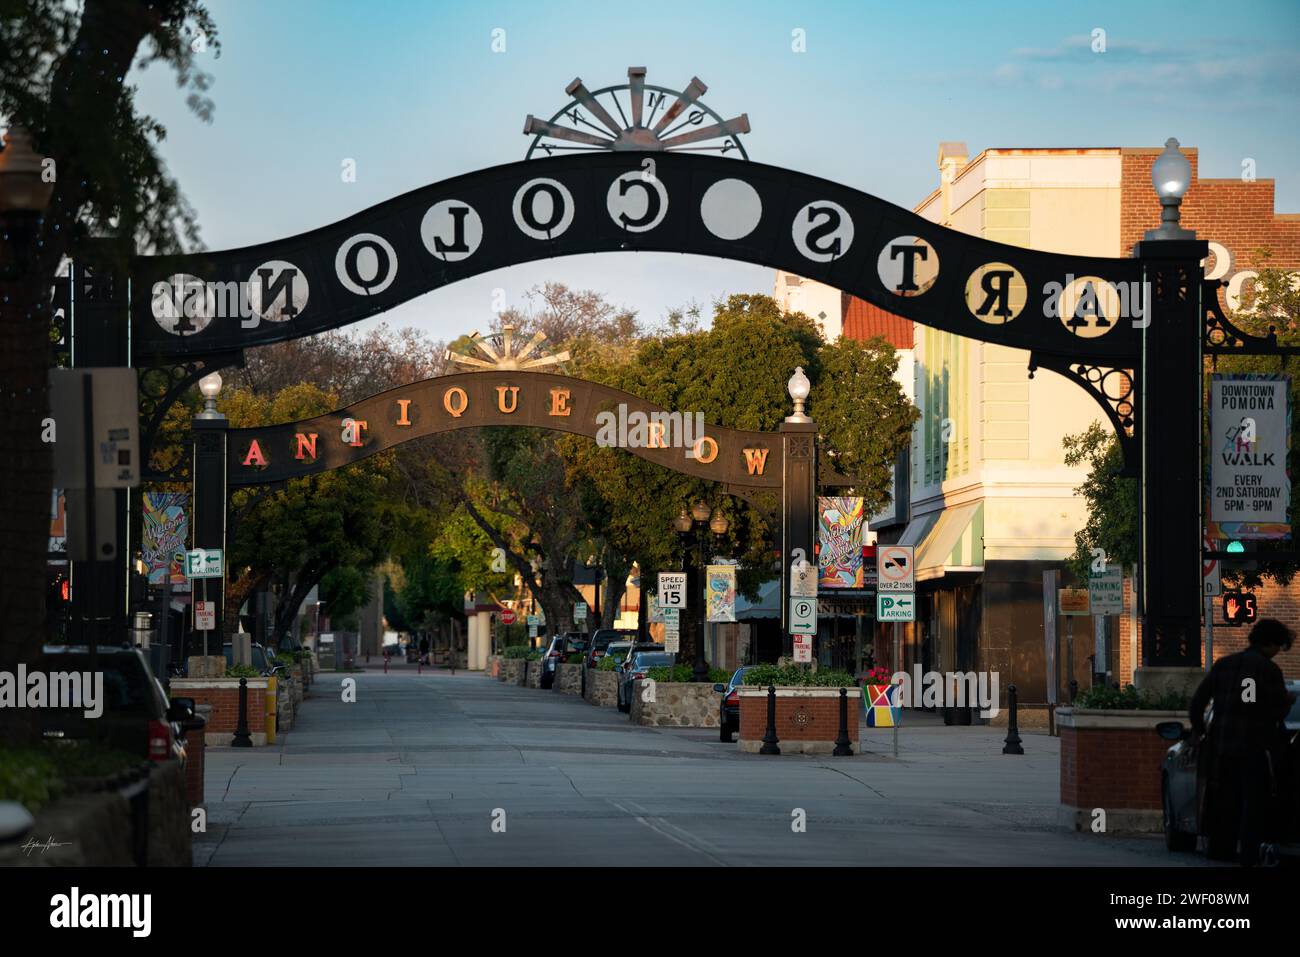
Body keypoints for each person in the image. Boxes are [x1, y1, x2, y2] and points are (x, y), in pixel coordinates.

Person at [1188, 617, 1296, 865]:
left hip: (1221, 748)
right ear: (1270, 643)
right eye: (1279, 646)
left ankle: (1219, 847)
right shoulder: (1267, 669)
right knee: (1253, 802)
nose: (1279, 652)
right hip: (1254, 748)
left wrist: (1200, 731)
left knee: (1224, 799)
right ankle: (1249, 853)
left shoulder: (1223, 665)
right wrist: (1287, 701)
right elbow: (1269, 708)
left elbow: (1198, 703)